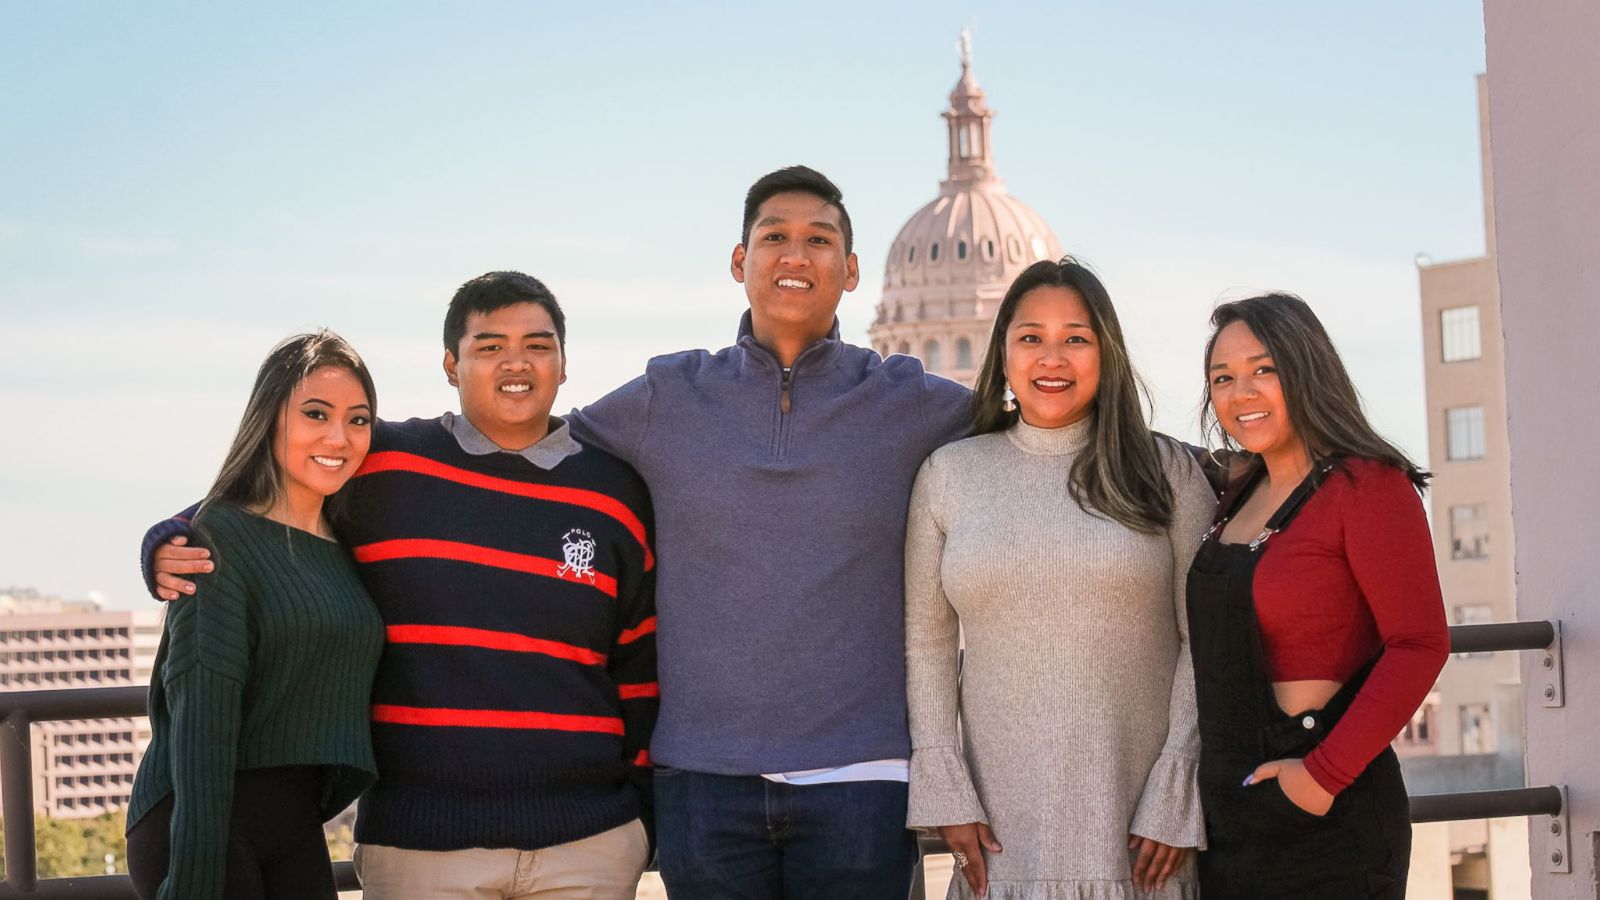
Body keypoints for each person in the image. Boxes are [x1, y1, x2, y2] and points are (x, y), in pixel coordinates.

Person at [141, 273, 657, 900]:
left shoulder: (616, 490)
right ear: (450, 364)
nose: (516, 362)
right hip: (421, 847)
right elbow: (273, 489)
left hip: (589, 844)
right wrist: (169, 535)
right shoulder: (387, 462)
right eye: (489, 345)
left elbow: (639, 664)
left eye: (538, 345)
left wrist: (641, 813)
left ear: (564, 363)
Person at [566, 166, 972, 898]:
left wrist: (1236, 469)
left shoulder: (911, 401)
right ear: (738, 262)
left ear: (850, 271)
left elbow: (1051, 434)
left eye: (819, 240)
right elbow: (535, 453)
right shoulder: (669, 394)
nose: (795, 254)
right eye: (774, 237)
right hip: (702, 778)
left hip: (863, 778)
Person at [904, 259, 1212, 899]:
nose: (1053, 358)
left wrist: (1175, 790)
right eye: (1030, 337)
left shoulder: (1167, 472)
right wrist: (944, 785)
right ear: (1004, 353)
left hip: (1137, 835)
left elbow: (1205, 643)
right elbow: (928, 644)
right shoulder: (949, 473)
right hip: (998, 838)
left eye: (1076, 337)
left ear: (1107, 353)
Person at [1187, 293, 1449, 898]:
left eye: (1263, 370)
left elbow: (1420, 642)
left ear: (1305, 369)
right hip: (1228, 813)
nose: (1240, 392)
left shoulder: (1368, 485)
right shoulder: (1235, 492)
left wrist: (1320, 777)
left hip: (1327, 812)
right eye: (1222, 378)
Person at [126, 330, 386, 900]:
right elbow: (201, 714)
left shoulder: (346, 538)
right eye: (316, 414)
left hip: (293, 821)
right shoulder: (219, 535)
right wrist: (194, 874)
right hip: (201, 821)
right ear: (270, 419)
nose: (338, 436)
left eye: (359, 419)